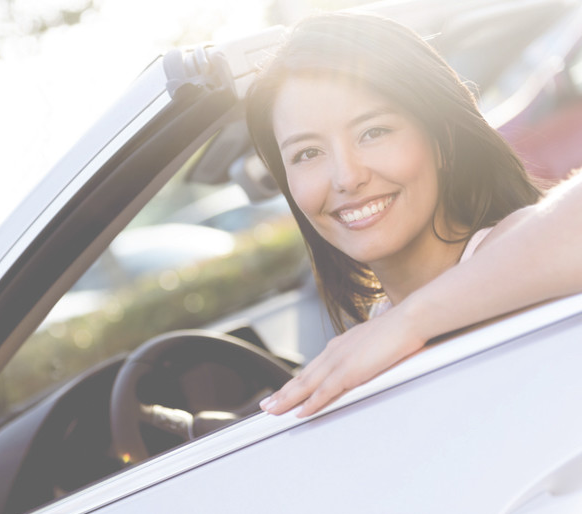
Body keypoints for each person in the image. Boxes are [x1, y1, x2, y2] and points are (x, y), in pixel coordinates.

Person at [245, 12, 582, 418]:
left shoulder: (502, 252)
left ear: (443, 141)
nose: (347, 177)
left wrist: (411, 322)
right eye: (307, 154)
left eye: (374, 132)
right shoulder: (376, 327)